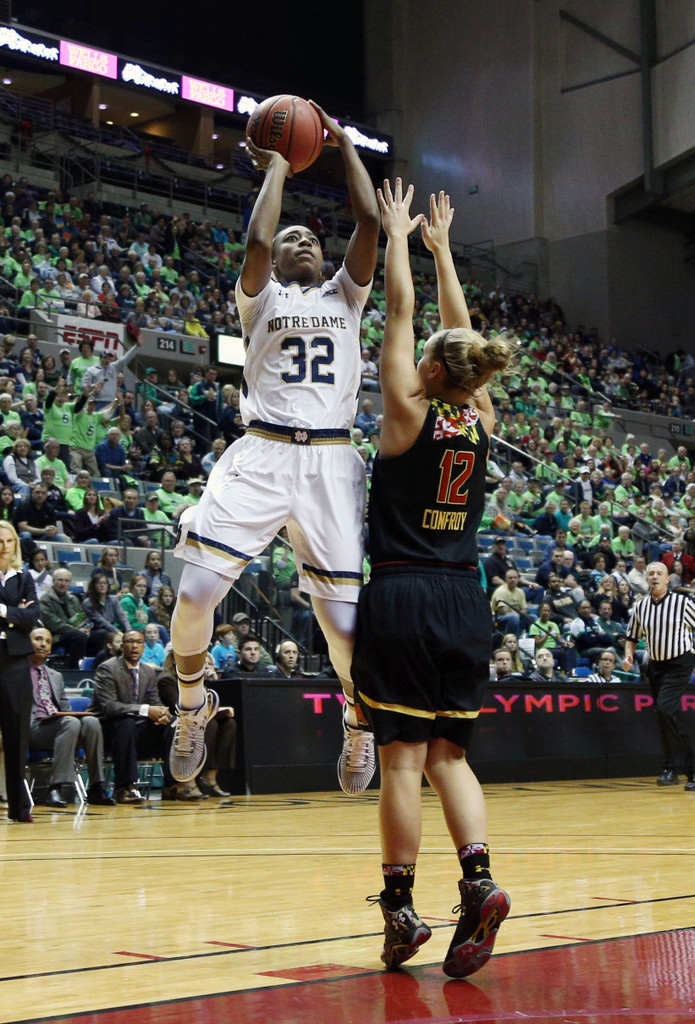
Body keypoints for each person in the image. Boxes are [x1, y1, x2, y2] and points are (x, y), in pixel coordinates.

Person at [168, 103, 380, 793]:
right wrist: (282, 167)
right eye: (292, 237)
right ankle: (192, 708)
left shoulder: (345, 298)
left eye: (308, 239)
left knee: (344, 630)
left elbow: (371, 223)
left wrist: (344, 145)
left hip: (328, 462)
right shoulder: (257, 300)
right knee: (196, 590)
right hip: (260, 452)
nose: (299, 242)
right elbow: (257, 241)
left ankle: (357, 723)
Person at [350, 182, 512, 976]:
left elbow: (403, 316)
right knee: (451, 756)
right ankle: (477, 880)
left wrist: (393, 240)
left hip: (404, 591)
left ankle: (401, 910)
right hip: (463, 597)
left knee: (403, 760)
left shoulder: (405, 410)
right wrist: (443, 248)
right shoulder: (478, 416)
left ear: (428, 368)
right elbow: (456, 336)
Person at [623, 561, 695, 790]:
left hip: (680, 662)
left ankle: (681, 768)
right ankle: (672, 768)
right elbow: (632, 637)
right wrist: (628, 657)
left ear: (667, 579)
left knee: (665, 709)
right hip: (656, 665)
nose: (654, 577)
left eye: (659, 574)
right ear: (646, 579)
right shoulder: (641, 607)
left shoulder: (682, 603)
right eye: (650, 573)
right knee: (668, 717)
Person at [28, 626, 115, 806]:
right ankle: (56, 787)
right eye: (38, 639)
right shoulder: (16, 672)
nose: (43, 644)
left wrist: (71, 714)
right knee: (69, 723)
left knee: (90, 721)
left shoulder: (56, 676)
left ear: (51, 648)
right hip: (32, 729)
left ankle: (97, 787)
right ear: (27, 643)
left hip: (59, 725)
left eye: (48, 641)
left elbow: (65, 707)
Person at [90, 630, 176, 804]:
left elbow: (155, 703)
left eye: (139, 642)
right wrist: (145, 710)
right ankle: (124, 787)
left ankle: (172, 785)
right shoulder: (108, 668)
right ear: (122, 646)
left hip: (137, 730)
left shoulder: (149, 672)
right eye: (130, 642)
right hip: (108, 728)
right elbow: (109, 707)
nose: (134, 646)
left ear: (144, 647)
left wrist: (161, 714)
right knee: (126, 723)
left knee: (173, 723)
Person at [0, 522, 40, 822]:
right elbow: (22, 615)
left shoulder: (24, 577)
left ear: (15, 544)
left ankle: (19, 808)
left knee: (16, 736)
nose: (3, 546)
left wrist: (3, 612)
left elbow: (31, 618)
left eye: (8, 541)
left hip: (15, 662)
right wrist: (15, 612)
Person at [38, 568, 90, 668]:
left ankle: (94, 670)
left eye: (66, 581)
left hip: (75, 633)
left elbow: (82, 618)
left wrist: (87, 629)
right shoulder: (45, 599)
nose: (63, 583)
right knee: (79, 636)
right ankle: (74, 670)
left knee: (101, 635)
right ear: (53, 581)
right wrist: (78, 630)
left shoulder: (73, 599)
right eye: (60, 580)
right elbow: (54, 624)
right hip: (56, 636)